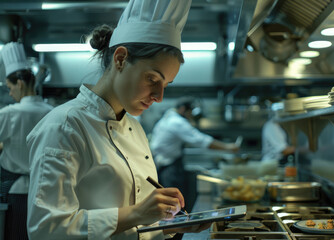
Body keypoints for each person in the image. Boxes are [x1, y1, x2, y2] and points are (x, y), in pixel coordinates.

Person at [26, 1, 210, 239]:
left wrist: (169, 226)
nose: (159, 96)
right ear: (120, 59)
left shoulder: (134, 127)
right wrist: (137, 214)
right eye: (153, 78)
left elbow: (133, 225)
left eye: (165, 85)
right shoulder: (64, 126)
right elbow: (46, 230)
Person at [0, 42, 53, 239]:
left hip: (16, 192)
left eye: (10, 87)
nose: (10, 93)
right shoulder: (52, 112)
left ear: (19, 84)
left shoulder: (9, 114)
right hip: (46, 192)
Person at [150, 96, 240, 198]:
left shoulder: (168, 118)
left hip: (163, 165)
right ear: (183, 109)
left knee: (170, 200)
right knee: (173, 201)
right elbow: (201, 141)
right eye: (190, 112)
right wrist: (228, 148)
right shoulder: (177, 122)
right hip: (169, 168)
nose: (191, 116)